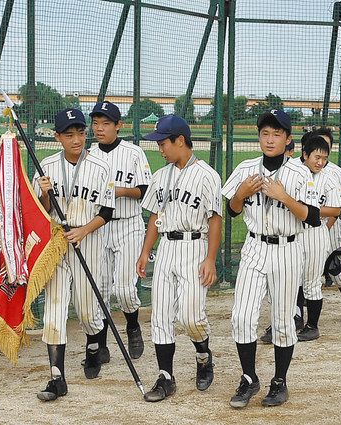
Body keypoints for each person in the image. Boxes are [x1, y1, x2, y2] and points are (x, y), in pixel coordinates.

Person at [222, 109, 320, 408]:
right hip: (254, 248)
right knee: (241, 316)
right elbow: (233, 210)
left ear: (288, 139)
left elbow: (314, 217)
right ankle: (249, 378)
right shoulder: (246, 169)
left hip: (287, 249)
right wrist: (240, 193)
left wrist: (285, 197)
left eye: (277, 134)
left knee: (282, 320)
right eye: (265, 133)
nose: (270, 139)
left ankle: (279, 381)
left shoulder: (301, 173)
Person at [136, 114, 222, 402]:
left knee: (190, 317)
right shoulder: (161, 177)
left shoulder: (207, 175)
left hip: (194, 248)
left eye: (163, 143)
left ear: (180, 141)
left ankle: (203, 355)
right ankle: (166, 377)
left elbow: (215, 219)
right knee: (160, 316)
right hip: (167, 249)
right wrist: (146, 251)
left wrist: (210, 259)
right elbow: (154, 217)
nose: (159, 148)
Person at [34, 108, 115, 401]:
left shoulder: (100, 164)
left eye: (80, 132)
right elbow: (40, 213)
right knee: (54, 309)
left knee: (85, 309)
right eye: (69, 134)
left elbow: (107, 211)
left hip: (87, 238)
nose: (77, 139)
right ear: (58, 137)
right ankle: (57, 379)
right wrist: (44, 194)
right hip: (57, 241)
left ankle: (94, 347)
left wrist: (83, 231)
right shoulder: (45, 166)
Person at [88, 101, 151, 363]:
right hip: (98, 227)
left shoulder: (133, 153)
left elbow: (145, 191)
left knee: (124, 290)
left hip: (128, 224)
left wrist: (119, 191)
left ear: (118, 126)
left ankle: (133, 327)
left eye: (105, 123)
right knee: (100, 289)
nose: (99, 129)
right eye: (95, 123)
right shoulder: (88, 154)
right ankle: (100, 346)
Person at [294, 135, 341, 341]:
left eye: (324, 158)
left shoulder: (328, 179)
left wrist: (309, 211)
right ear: (305, 155)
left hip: (316, 233)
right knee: (289, 280)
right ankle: (288, 320)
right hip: (293, 232)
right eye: (316, 156)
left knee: (312, 282)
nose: (320, 162)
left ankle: (312, 325)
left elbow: (336, 209)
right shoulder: (293, 174)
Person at [311, 127, 341, 323]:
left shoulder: (335, 172)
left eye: (326, 145)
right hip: (306, 226)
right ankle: (299, 313)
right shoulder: (301, 168)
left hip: (330, 225)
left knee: (334, 269)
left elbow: (337, 206)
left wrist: (324, 229)